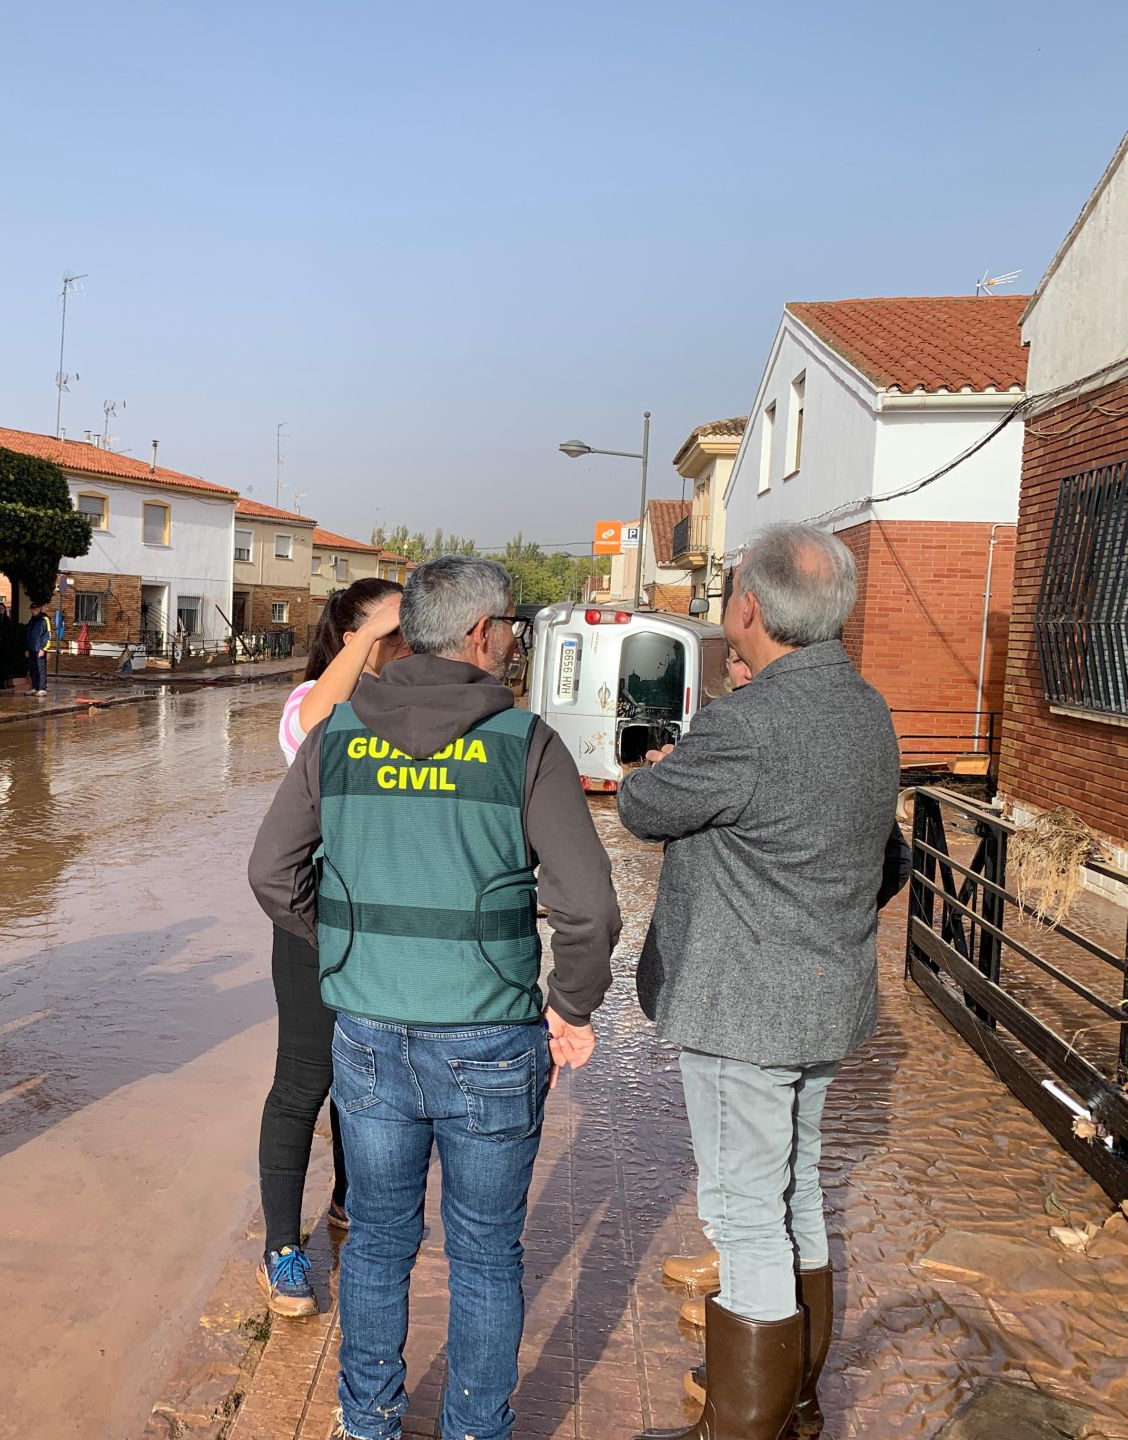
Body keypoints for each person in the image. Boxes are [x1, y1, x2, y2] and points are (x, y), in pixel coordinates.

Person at [249, 556, 621, 1440]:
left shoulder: (336, 736)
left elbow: (271, 873)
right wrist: (570, 1008)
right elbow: (590, 908)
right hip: (492, 1041)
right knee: (487, 1257)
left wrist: (346, 950)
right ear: (483, 634)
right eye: (514, 629)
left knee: (378, 1244)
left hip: (369, 1034)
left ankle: (367, 1423)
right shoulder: (523, 743)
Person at [619, 524, 904, 1440]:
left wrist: (663, 766)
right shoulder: (868, 711)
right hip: (825, 1000)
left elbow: (642, 808)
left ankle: (742, 1426)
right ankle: (796, 1402)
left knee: (743, 1214)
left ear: (749, 610)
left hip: (744, 1012)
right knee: (797, 1193)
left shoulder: (742, 726)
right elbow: (885, 859)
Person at [257, 579, 407, 1319]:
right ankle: (282, 1248)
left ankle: (349, 1204)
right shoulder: (311, 702)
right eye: (396, 624)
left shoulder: (406, 707)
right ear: (360, 634)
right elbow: (315, 721)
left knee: (368, 1076)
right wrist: (367, 636)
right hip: (311, 925)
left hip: (380, 926)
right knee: (304, 1081)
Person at [27, 604, 52, 696]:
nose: (33, 611)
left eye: (34, 609)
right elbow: (29, 635)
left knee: (41, 669)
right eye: (32, 609)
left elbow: (48, 635)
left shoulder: (44, 619)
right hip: (32, 648)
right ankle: (35, 687)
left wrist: (44, 648)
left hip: (40, 649)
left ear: (39, 609)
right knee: (33, 669)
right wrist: (27, 648)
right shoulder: (32, 620)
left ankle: (42, 688)